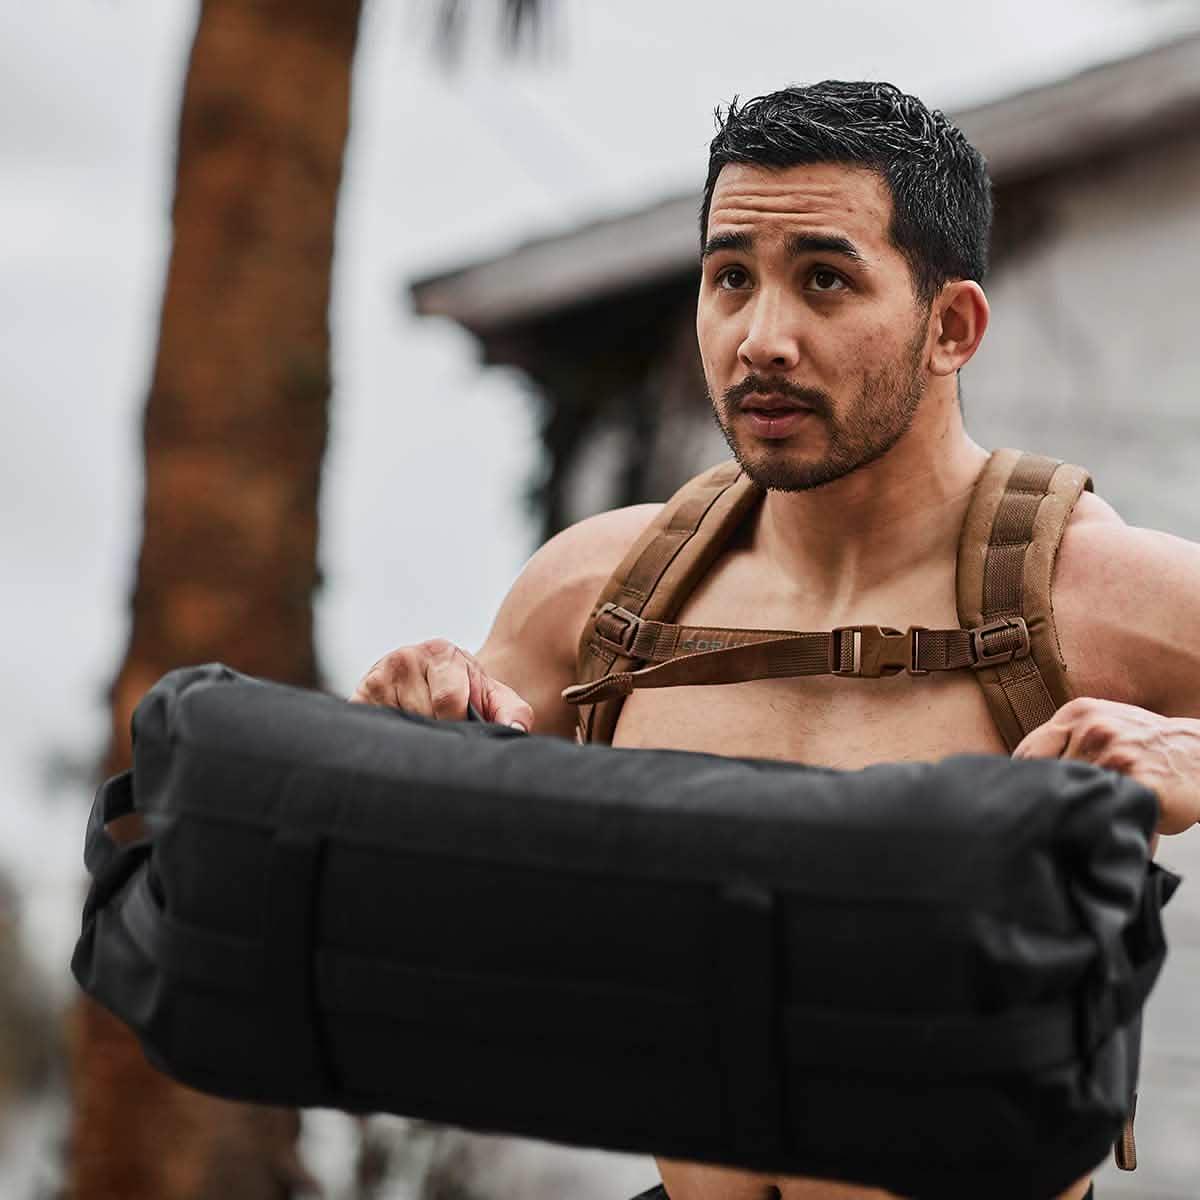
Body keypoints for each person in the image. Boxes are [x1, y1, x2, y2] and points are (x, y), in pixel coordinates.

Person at [350, 81, 1200, 1200]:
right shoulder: (601, 596)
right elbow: (413, 912)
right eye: (729, 278)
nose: (761, 339)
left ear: (951, 327)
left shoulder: (1096, 594)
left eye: (825, 279)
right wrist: (412, 729)